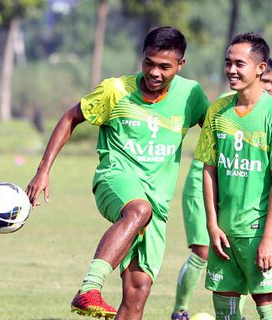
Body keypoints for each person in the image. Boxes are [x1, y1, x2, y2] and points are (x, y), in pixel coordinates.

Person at [26, 26, 210, 320]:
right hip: (115, 180)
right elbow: (70, 118)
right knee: (138, 209)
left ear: (180, 65)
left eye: (165, 66)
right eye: (149, 62)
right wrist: (43, 171)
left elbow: (216, 133)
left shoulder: (192, 95)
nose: (154, 72)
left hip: (158, 205)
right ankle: (90, 287)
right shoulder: (116, 90)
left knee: (137, 294)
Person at [195, 32, 272, 320]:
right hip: (223, 233)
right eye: (228, 63)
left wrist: (268, 238)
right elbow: (209, 170)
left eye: (239, 64)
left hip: (258, 232)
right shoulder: (218, 111)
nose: (231, 70)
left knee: (268, 307)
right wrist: (212, 226)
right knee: (224, 312)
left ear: (260, 69)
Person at [170, 57, 272, 320]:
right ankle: (180, 310)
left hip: (232, 192)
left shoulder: (267, 109)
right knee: (203, 250)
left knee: (233, 266)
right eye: (266, 82)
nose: (270, 87)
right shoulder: (227, 105)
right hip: (203, 187)